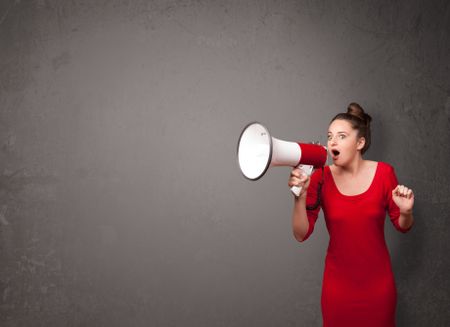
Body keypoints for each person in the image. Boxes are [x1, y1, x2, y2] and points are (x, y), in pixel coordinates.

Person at [289, 103, 414, 327]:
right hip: (338, 290)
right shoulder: (320, 178)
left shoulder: (385, 173)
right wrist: (300, 196)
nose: (332, 142)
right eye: (329, 136)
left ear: (360, 143)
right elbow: (301, 234)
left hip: (378, 288)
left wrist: (405, 211)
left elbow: (403, 225)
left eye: (341, 136)